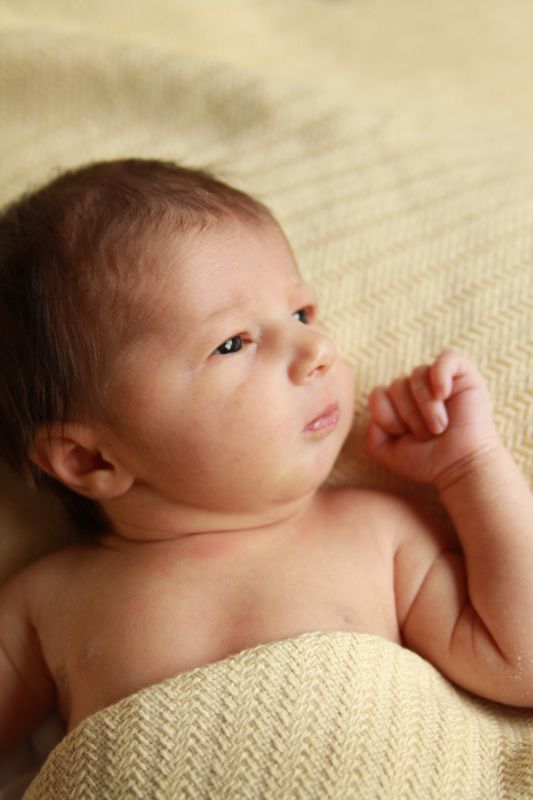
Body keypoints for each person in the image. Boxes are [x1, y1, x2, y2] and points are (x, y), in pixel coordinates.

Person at [0, 159, 531, 756]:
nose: (318, 349)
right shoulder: (49, 598)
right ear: (89, 460)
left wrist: (471, 468)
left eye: (302, 314)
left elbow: (522, 660)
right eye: (232, 343)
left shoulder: (376, 534)